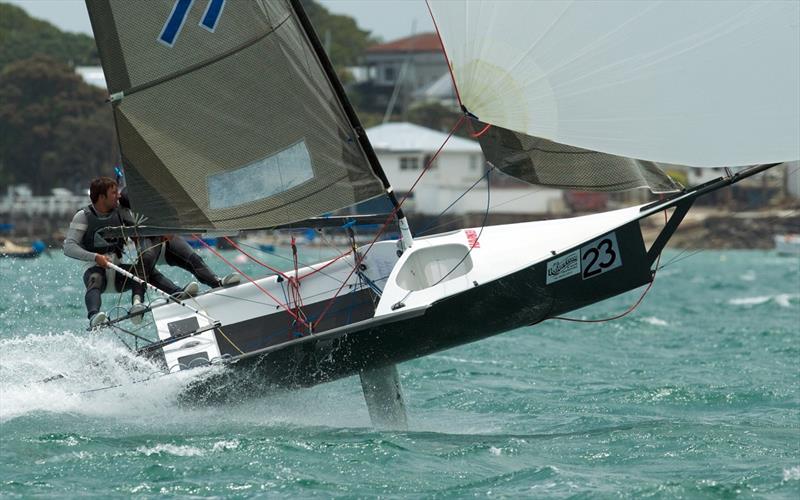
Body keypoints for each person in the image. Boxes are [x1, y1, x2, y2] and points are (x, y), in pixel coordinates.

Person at [63, 177, 196, 328]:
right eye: (113, 193)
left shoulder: (120, 212)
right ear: (101, 197)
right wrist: (95, 257)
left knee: (144, 272)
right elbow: (69, 247)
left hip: (119, 271)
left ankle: (172, 294)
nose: (118, 196)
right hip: (95, 270)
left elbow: (139, 229)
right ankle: (94, 316)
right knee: (95, 279)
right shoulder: (83, 216)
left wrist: (162, 231)